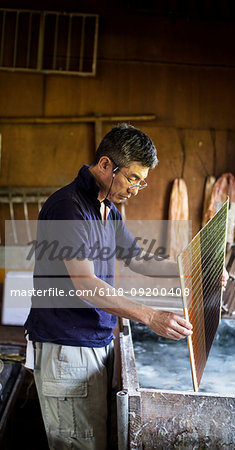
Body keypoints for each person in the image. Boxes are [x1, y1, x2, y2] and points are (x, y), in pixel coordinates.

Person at [24, 123, 192, 450]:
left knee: (93, 440)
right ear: (105, 165)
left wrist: (189, 272)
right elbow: (86, 285)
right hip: (67, 348)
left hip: (93, 342)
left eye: (141, 182)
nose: (135, 189)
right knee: (79, 443)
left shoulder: (108, 210)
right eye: (132, 178)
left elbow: (137, 258)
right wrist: (150, 316)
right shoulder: (69, 209)